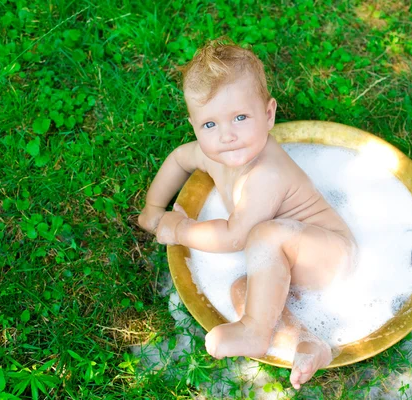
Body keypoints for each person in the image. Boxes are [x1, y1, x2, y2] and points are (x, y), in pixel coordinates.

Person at [138, 39, 357, 389]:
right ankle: (307, 343)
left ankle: (255, 331)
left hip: (329, 253)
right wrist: (153, 209)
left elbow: (235, 236)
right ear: (194, 124)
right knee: (243, 289)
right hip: (291, 265)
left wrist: (179, 229)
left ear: (268, 115)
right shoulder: (215, 153)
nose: (227, 135)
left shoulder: (265, 173)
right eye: (210, 125)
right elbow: (179, 159)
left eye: (240, 117)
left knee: (264, 235)